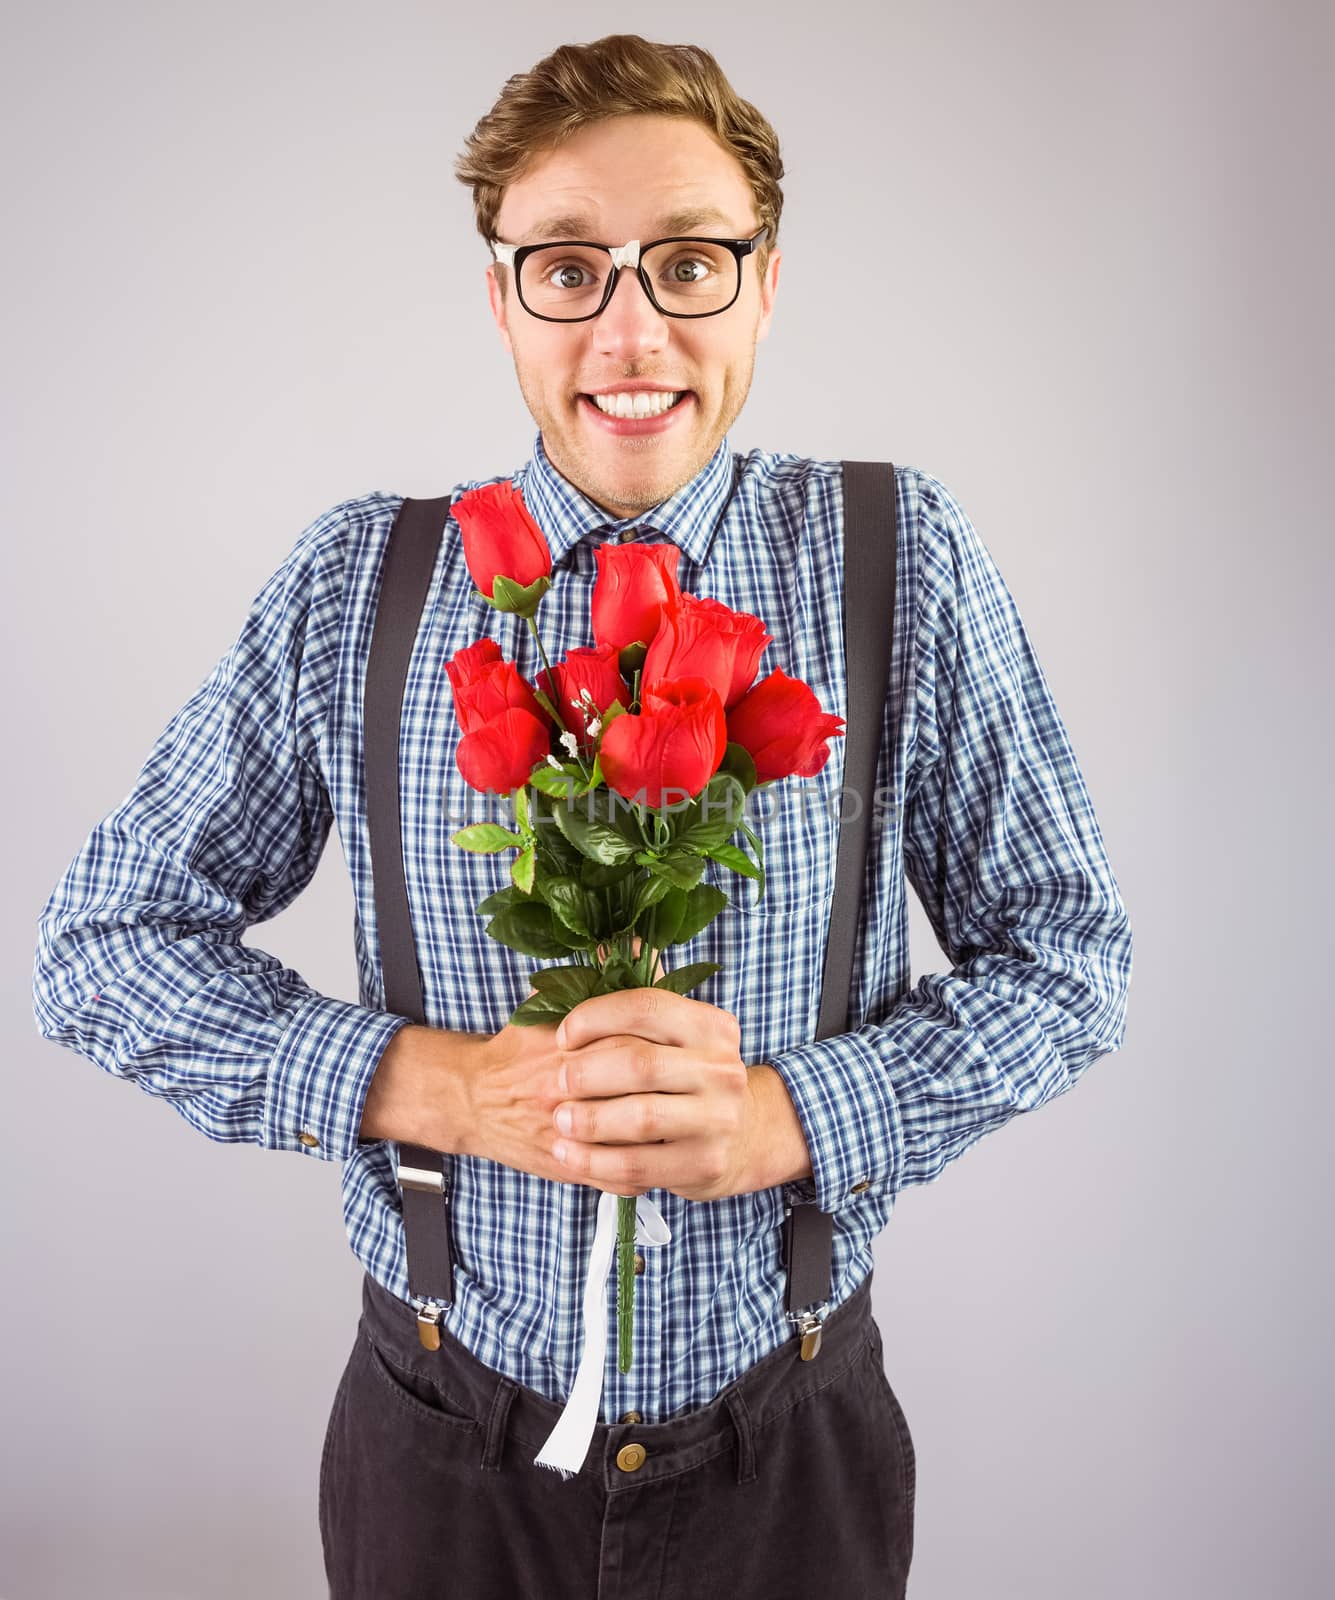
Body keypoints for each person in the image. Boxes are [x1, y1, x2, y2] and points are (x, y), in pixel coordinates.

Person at [31, 32, 1133, 1600]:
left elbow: (1072, 956)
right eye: (567, 267)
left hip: (789, 1452)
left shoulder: (904, 560)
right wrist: (425, 1085)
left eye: (688, 262)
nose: (631, 329)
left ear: (765, 285)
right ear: (501, 297)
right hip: (441, 1446)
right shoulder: (366, 585)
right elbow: (99, 945)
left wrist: (797, 1119)